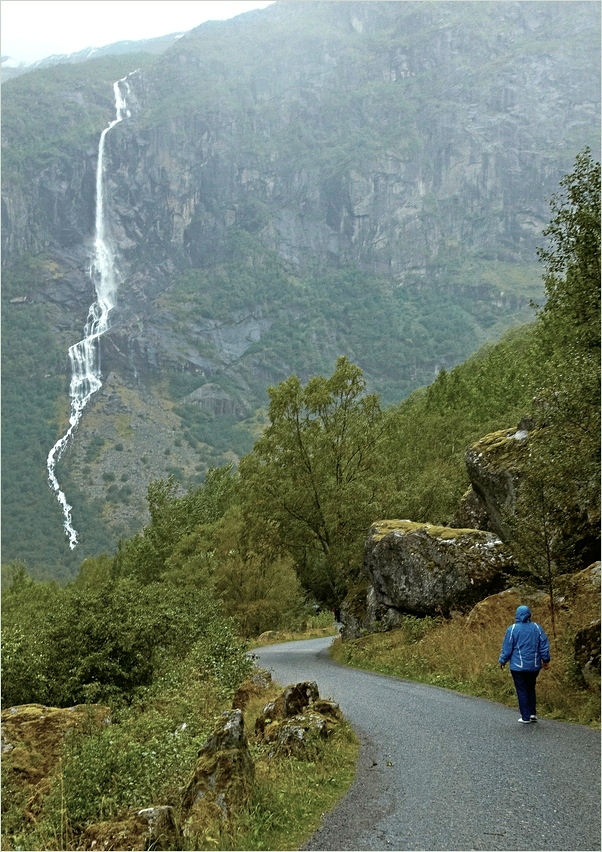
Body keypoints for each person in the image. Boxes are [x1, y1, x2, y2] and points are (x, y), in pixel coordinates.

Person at [499, 604, 550, 724]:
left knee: (521, 690)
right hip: (534, 666)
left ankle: (525, 716)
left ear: (517, 615)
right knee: (531, 687)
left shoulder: (512, 629)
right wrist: (546, 660)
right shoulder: (537, 628)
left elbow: (507, 648)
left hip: (517, 667)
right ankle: (532, 713)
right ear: (529, 615)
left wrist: (502, 660)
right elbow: (543, 646)